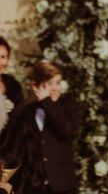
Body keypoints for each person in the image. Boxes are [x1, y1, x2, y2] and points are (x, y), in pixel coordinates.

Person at [2, 61, 84, 194]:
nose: (55, 88)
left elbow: (67, 130)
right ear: (35, 86)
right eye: (49, 84)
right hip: (35, 186)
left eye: (57, 83)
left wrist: (47, 103)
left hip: (62, 185)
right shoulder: (28, 111)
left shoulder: (68, 106)